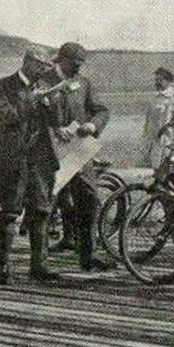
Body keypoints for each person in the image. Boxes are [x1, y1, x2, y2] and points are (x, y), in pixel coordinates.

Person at [44, 42, 113, 273]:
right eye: (75, 63)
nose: (79, 67)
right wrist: (53, 129)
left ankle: (88, 256)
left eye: (82, 63)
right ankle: (39, 262)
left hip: (78, 152)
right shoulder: (44, 82)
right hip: (49, 151)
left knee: (89, 200)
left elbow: (102, 110)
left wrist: (92, 125)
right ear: (61, 60)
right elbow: (32, 111)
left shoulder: (84, 83)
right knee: (45, 203)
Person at [0, 48, 55, 284]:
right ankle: (3, 269)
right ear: (27, 63)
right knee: (9, 212)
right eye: (40, 66)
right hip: (11, 158)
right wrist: (32, 100)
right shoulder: (2, 85)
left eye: (46, 67)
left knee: (41, 210)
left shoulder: (44, 86)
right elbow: (6, 116)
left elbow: (54, 122)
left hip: (39, 159)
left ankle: (39, 267)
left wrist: (51, 103)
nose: (43, 71)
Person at [138, 66, 174, 169]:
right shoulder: (154, 99)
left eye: (160, 80)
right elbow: (148, 125)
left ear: (168, 81)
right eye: (156, 80)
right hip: (154, 146)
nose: (156, 83)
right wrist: (145, 146)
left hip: (169, 146)